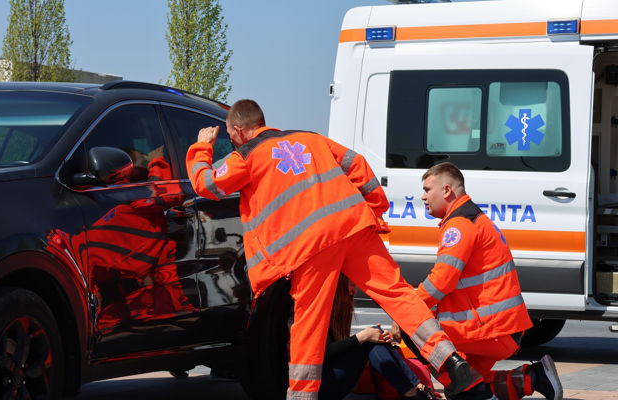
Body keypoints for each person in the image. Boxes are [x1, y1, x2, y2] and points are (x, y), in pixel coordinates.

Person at [186, 99, 473, 399]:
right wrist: (374, 210)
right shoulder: (311, 138)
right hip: (354, 225)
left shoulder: (246, 155)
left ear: (238, 130)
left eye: (231, 136)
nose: (232, 141)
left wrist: (202, 148)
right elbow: (357, 164)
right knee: (398, 294)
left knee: (309, 323)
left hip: (311, 246)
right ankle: (451, 361)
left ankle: (302, 397)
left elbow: (206, 184)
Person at [396, 162, 563, 400]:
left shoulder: (459, 225)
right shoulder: (471, 218)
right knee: (465, 387)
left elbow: (441, 281)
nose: (423, 197)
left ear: (446, 190)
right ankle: (534, 378)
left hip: (489, 329)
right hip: (500, 328)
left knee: (413, 329)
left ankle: (477, 391)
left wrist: (405, 311)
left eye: (427, 189)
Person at [319, 274, 437, 400]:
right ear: (338, 285)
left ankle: (412, 388)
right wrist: (362, 337)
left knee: (375, 335)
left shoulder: (333, 311)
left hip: (327, 382)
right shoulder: (320, 311)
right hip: (319, 389)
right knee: (369, 340)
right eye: (351, 285)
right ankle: (412, 389)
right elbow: (325, 352)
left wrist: (373, 336)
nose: (354, 290)